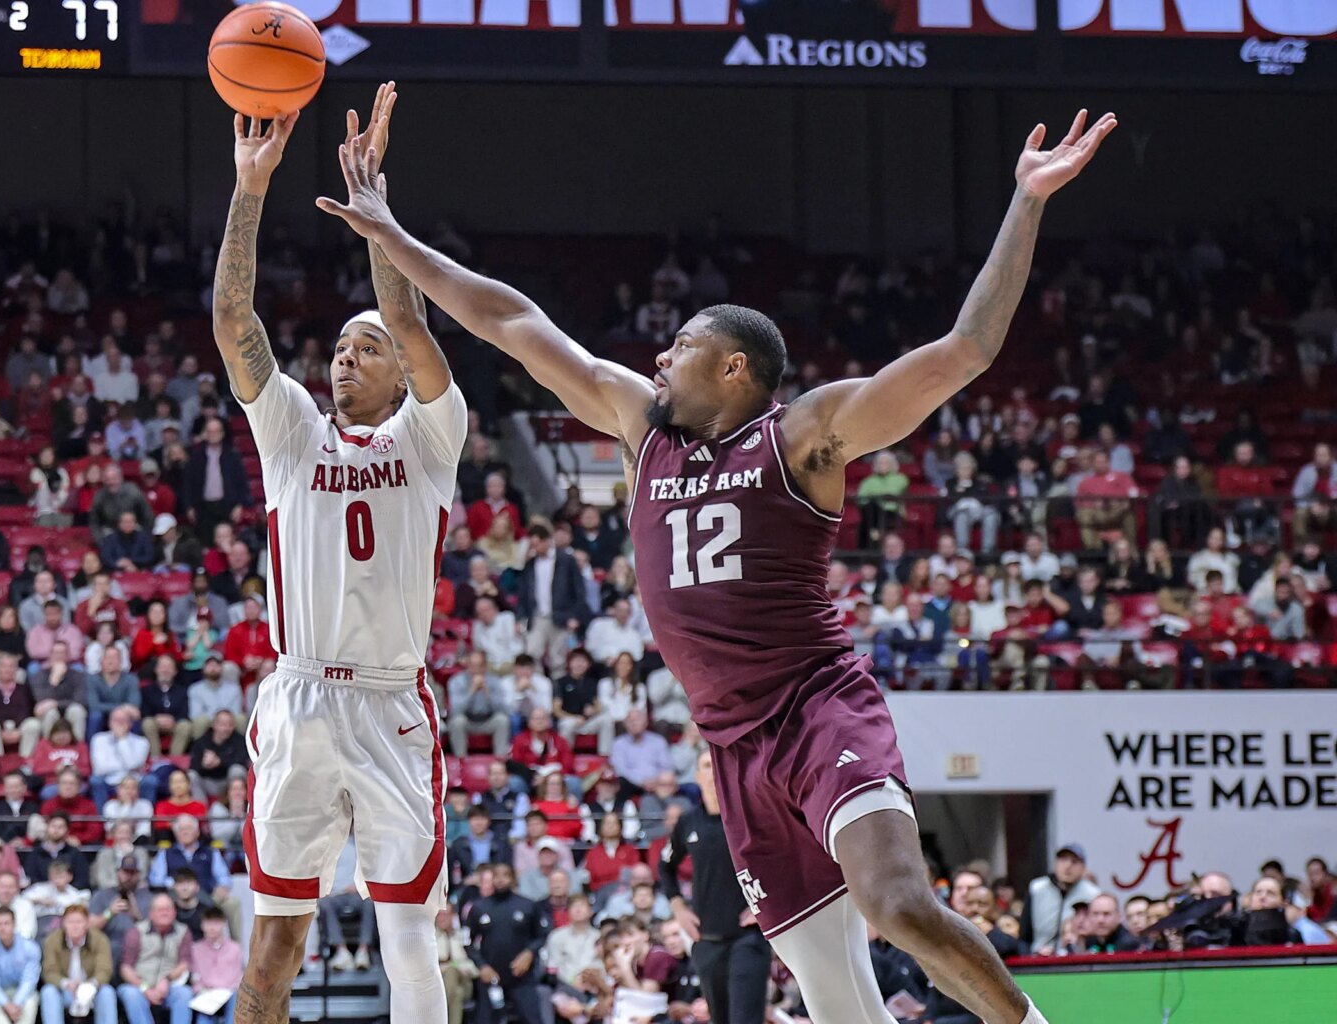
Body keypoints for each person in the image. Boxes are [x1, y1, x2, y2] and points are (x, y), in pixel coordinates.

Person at [326, 86, 1114, 1024]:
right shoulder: (641, 426)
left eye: (682, 345)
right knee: (830, 990)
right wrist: (390, 234)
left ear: (734, 367)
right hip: (732, 748)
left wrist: (1026, 200)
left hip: (818, 710)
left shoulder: (805, 434)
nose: (660, 358)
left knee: (898, 906)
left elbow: (966, 349)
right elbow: (510, 322)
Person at [214, 86, 459, 1024]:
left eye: (368, 348)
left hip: (391, 702)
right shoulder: (292, 431)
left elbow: (414, 325)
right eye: (341, 347)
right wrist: (251, 189)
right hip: (302, 696)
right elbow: (233, 320)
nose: (346, 358)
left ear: (400, 373)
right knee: (274, 948)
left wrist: (375, 217)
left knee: (409, 938)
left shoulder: (429, 437)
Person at [659, 749, 768, 1024]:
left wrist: (768, 905)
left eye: (718, 763)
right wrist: (678, 907)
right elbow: (665, 866)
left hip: (748, 939)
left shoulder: (752, 816)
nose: (713, 770)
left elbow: (787, 859)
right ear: (697, 775)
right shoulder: (688, 822)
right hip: (706, 941)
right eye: (707, 765)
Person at [460, 863, 549, 1024]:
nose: (500, 880)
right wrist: (481, 966)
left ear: (513, 879)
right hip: (491, 977)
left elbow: (542, 935)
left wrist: (529, 953)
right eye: (496, 876)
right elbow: (466, 941)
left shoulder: (528, 905)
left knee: (533, 1019)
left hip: (521, 977)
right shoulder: (478, 907)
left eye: (505, 875)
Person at [117, 895, 193, 1024]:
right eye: (160, 910)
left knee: (185, 993)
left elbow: (184, 963)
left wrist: (167, 980)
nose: (165, 913)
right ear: (151, 913)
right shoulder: (136, 931)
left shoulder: (183, 931)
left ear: (174, 912)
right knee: (130, 994)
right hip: (140, 985)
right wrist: (145, 988)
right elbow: (125, 968)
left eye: (168, 909)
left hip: (169, 986)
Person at [41, 903, 116, 1023]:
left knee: (107, 992)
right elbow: (49, 972)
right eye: (70, 922)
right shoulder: (52, 940)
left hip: (91, 989)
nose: (75, 926)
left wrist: (91, 985)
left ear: (87, 923)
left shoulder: (100, 940)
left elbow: (104, 970)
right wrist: (66, 984)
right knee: (48, 991)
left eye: (79, 922)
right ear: (63, 923)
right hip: (65, 990)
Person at [0, 907, 41, 1024]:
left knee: (31, 1001)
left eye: (6, 923)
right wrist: (6, 1004)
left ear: (14, 924)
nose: (2, 928)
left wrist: (17, 1003)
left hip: (22, 990)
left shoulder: (30, 947)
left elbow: (29, 980)